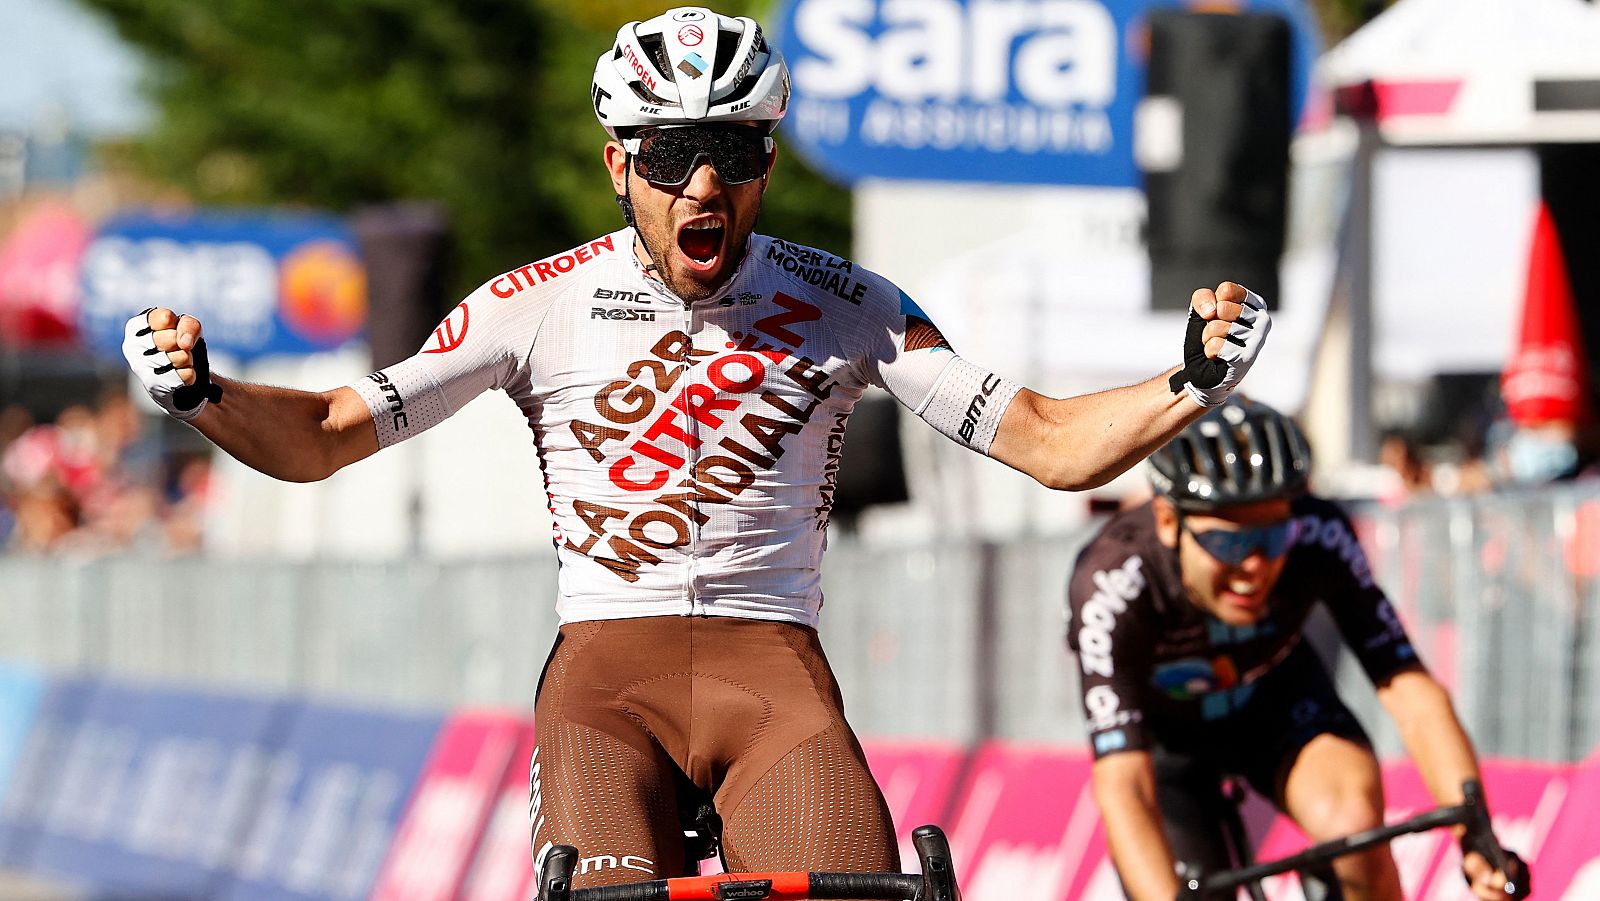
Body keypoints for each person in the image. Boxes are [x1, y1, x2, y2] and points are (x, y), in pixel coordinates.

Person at [121, 6, 1272, 889]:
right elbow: (325, 435)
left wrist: (1191, 380)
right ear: (620, 162)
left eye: (732, 147)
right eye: (671, 153)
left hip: (774, 682)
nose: (704, 181)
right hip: (603, 690)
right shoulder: (537, 302)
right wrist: (204, 391)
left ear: (769, 160)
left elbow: (1051, 443)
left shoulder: (849, 302)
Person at [1065, 398, 1529, 901]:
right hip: (1165, 747)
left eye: (1274, 536)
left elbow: (1408, 689)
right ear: (1168, 522)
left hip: (1276, 705)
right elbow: (1121, 785)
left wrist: (1475, 834)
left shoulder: (1318, 533)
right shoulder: (1112, 583)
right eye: (1231, 545)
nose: (1256, 567)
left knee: (1352, 830)